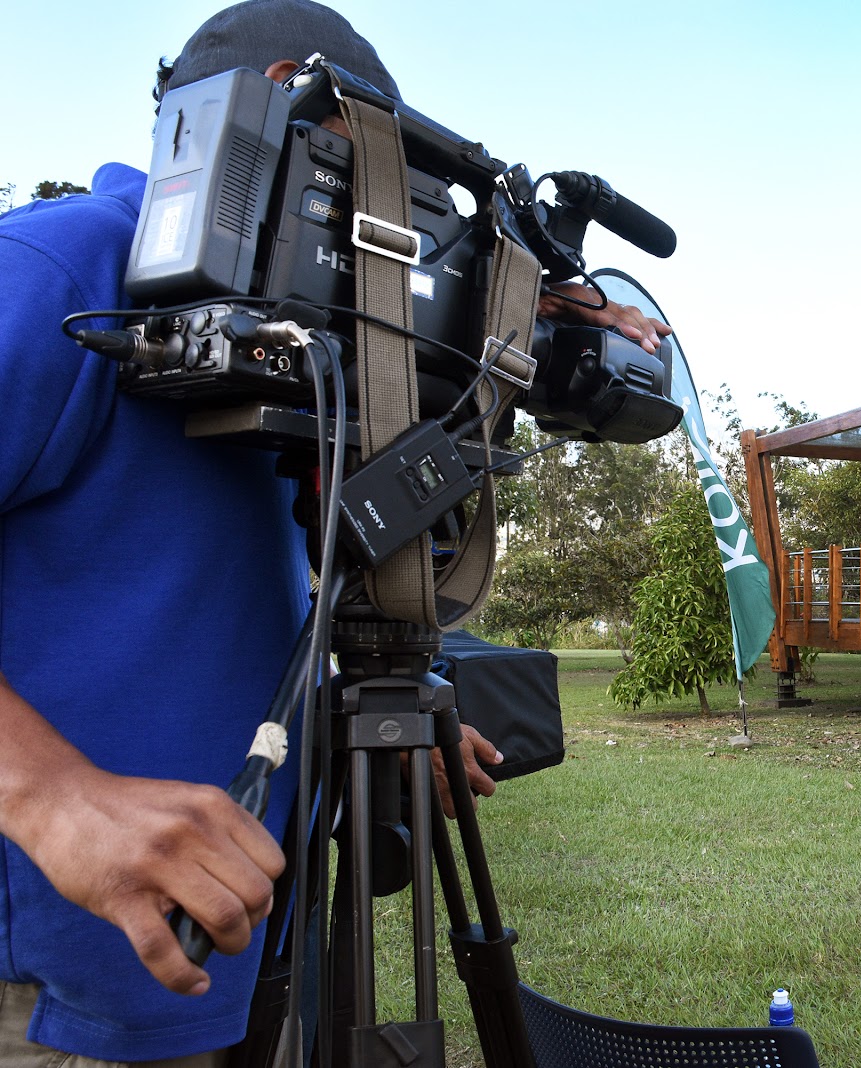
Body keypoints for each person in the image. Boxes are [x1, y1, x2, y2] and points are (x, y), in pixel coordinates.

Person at [0, 2, 669, 1063]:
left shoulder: (306, 333)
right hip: (55, 991)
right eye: (391, 185)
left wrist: (522, 320)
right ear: (288, 106)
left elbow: (234, 609)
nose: (403, 228)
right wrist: (54, 798)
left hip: (254, 946)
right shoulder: (53, 272)